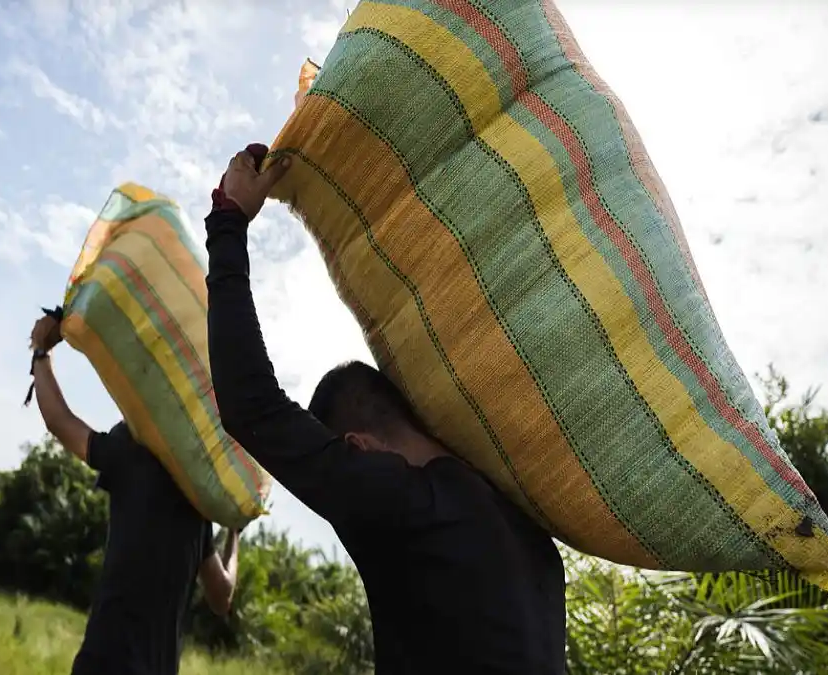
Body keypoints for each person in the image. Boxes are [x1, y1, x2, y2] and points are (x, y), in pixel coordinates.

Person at [203, 144, 567, 674]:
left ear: (357, 446)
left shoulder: (400, 501)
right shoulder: (527, 527)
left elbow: (249, 405)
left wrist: (228, 221)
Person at [28, 317, 242, 675]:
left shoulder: (132, 447)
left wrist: (40, 352)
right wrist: (233, 536)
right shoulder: (198, 498)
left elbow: (59, 422)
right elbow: (222, 596)